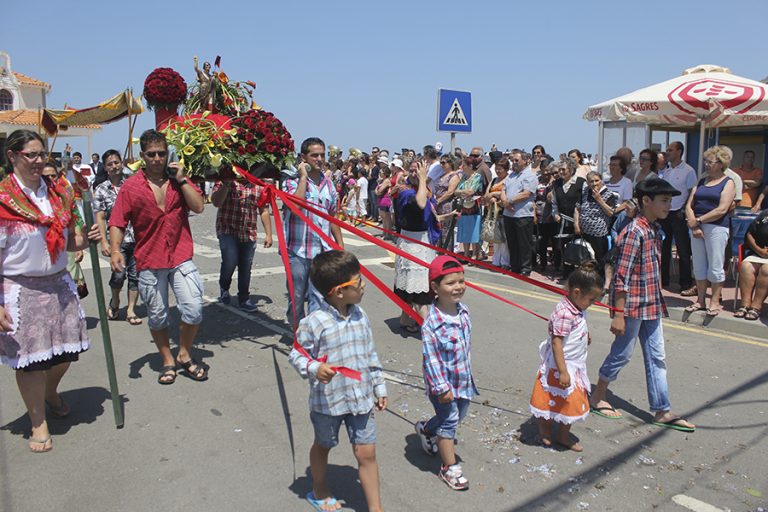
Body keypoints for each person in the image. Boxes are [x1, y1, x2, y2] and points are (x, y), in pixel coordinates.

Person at [0, 129, 101, 452]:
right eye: (30, 154)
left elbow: (71, 240)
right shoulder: (2, 199)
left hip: (58, 284)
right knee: (30, 362)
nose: (38, 160)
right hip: (21, 287)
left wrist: (87, 238)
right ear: (12, 156)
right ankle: (38, 421)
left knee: (64, 353)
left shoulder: (58, 193)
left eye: (41, 154)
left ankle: (49, 391)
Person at [589, 178, 696, 432]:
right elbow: (621, 276)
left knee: (657, 356)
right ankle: (598, 396)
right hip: (632, 307)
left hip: (651, 305)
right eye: (664, 200)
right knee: (622, 353)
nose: (668, 205)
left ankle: (662, 409)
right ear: (646, 201)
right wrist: (618, 314)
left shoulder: (654, 229)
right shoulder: (634, 231)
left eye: (670, 201)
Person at [288, 250, 387, 512]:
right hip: (328, 403)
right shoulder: (313, 323)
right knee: (324, 445)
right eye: (358, 281)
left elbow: (370, 354)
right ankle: (319, 489)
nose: (363, 285)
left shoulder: (361, 315)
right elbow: (296, 355)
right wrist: (314, 367)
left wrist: (379, 386)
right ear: (339, 291)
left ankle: (376, 508)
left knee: (367, 453)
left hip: (360, 399)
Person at [109, 129, 207, 385]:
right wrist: (116, 250)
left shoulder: (178, 180)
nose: (156, 159)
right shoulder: (131, 187)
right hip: (150, 259)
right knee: (158, 315)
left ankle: (184, 353)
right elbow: (118, 221)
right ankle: (167, 360)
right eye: (151, 154)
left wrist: (182, 180)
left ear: (167, 154)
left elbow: (198, 206)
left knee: (194, 309)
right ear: (142, 155)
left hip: (181, 255)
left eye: (161, 153)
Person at [415, 256, 477, 491]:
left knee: (458, 415)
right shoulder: (431, 322)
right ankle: (449, 468)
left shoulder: (464, 312)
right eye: (450, 283)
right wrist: (441, 388)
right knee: (450, 421)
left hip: (462, 380)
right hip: (442, 384)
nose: (458, 287)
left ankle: (426, 429)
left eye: (461, 281)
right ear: (435, 287)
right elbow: (430, 359)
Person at [530, 261, 604, 452]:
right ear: (577, 292)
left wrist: (584, 336)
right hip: (561, 365)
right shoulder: (565, 314)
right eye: (591, 299)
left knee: (570, 402)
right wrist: (562, 371)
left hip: (574, 364)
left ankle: (563, 435)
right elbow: (557, 343)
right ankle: (545, 430)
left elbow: (576, 327)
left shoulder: (578, 308)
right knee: (549, 399)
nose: (593, 303)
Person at [282, 137, 344, 327]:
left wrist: (340, 246)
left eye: (322, 155)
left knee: (320, 298)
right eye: (314, 155)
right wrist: (303, 177)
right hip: (297, 251)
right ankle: (298, 334)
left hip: (322, 252)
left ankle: (314, 335)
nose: (319, 159)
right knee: (297, 298)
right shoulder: (291, 181)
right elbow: (295, 207)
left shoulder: (329, 184)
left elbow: (332, 217)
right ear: (304, 157)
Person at [684, 146, 736, 317]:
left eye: (710, 162)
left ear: (721, 164)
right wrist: (694, 224)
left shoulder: (728, 182)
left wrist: (699, 221)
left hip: (716, 227)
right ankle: (700, 300)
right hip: (697, 227)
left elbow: (722, 209)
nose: (706, 164)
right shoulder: (701, 181)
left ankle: (714, 301)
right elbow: (689, 204)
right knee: (698, 265)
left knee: (715, 265)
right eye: (705, 161)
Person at [211, 177, 273, 312]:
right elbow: (216, 202)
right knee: (230, 260)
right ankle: (224, 286)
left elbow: (264, 210)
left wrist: (268, 234)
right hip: (227, 229)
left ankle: (244, 298)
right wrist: (226, 183)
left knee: (246, 266)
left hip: (248, 232)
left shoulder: (258, 186)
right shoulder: (224, 180)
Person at [94, 149, 141, 325]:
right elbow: (100, 217)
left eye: (117, 162)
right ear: (105, 168)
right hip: (117, 241)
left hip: (137, 238)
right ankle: (115, 300)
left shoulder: (132, 183)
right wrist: (104, 241)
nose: (114, 166)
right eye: (110, 164)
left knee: (136, 276)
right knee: (119, 276)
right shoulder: (101, 189)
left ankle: (131, 310)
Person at [393, 160, 436, 333]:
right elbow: (420, 204)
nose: (415, 174)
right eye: (412, 170)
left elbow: (427, 214)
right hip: (411, 243)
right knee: (418, 287)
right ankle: (431, 328)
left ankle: (405, 319)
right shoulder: (406, 192)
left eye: (418, 170)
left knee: (415, 283)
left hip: (423, 241)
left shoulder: (424, 191)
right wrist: (423, 178)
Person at [658, 141, 697, 296]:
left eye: (671, 150)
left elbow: (692, 192)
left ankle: (685, 282)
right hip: (665, 213)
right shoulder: (666, 171)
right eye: (667, 150)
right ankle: (663, 280)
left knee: (683, 250)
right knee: (663, 248)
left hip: (679, 214)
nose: (667, 152)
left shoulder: (688, 170)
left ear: (679, 151)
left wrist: (684, 209)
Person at [574, 171, 618, 276]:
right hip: (584, 232)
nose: (594, 183)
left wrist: (599, 199)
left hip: (599, 234)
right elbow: (577, 208)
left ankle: (600, 279)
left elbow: (610, 212)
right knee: (585, 257)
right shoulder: (585, 192)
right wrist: (576, 224)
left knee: (600, 259)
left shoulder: (609, 194)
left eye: (596, 180)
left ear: (601, 181)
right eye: (591, 181)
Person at [501, 151, 537, 275]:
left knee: (524, 243)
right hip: (508, 214)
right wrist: (505, 202)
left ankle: (525, 268)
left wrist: (509, 201)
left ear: (525, 161)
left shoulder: (530, 175)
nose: (514, 163)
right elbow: (503, 190)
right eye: (513, 160)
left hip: (523, 215)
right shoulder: (511, 175)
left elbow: (526, 193)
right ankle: (515, 266)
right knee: (512, 242)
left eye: (517, 160)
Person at [551, 158, 587, 275]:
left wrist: (580, 220)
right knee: (564, 247)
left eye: (563, 169)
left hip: (578, 222)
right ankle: (566, 272)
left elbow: (585, 202)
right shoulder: (556, 184)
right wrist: (555, 214)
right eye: (559, 170)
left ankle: (579, 274)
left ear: (571, 169)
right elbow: (554, 202)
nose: (561, 172)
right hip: (562, 222)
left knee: (578, 247)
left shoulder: (581, 183)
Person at [734, 209, 768, 320]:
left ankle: (756, 307)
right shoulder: (765, 214)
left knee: (766, 270)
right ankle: (745, 304)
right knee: (746, 266)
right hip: (759, 253)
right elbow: (749, 234)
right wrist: (759, 250)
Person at [454, 156, 484, 261]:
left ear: (470, 166)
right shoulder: (464, 177)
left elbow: (472, 191)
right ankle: (466, 253)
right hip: (464, 207)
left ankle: (475, 253)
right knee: (465, 230)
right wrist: (464, 192)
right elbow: (456, 191)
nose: (461, 167)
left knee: (474, 230)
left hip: (474, 207)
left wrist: (462, 192)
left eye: (464, 165)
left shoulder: (477, 177)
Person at [484, 157, 511, 269]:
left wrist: (494, 194)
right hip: (493, 212)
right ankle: (496, 261)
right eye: (497, 168)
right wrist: (491, 197)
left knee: (504, 239)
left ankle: (505, 262)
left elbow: (508, 194)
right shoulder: (494, 180)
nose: (498, 171)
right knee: (495, 238)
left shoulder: (509, 179)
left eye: (500, 169)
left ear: (506, 169)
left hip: (504, 211)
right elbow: (486, 194)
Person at [534, 161, 557, 271]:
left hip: (553, 217)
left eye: (548, 171)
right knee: (541, 242)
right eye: (544, 170)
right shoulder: (537, 181)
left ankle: (556, 264)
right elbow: (533, 198)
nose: (546, 173)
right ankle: (542, 264)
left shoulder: (556, 182)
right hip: (540, 216)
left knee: (555, 242)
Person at [434, 157, 461, 248]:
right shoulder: (442, 175)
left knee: (447, 228)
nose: (441, 165)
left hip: (447, 205)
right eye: (441, 163)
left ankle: (447, 250)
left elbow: (450, 192)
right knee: (439, 227)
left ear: (450, 163)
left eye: (444, 163)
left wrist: (439, 200)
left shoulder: (454, 176)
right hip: (438, 205)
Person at [375, 165, 394, 240]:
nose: (379, 173)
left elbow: (379, 191)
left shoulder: (386, 181)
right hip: (381, 199)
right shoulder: (382, 181)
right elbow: (377, 191)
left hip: (385, 200)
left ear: (385, 173)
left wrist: (377, 190)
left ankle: (388, 234)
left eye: (381, 172)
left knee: (387, 218)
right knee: (383, 217)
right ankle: (384, 232)